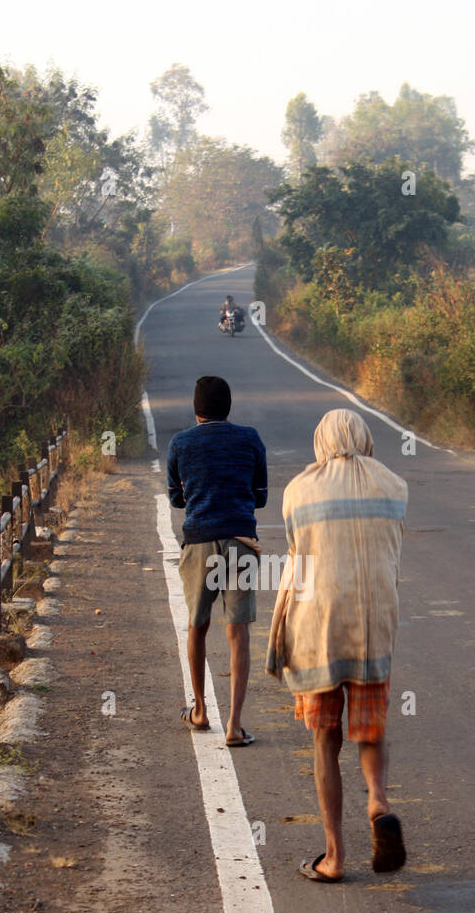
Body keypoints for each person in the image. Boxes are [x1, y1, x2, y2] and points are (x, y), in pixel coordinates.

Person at [266, 408, 408, 880]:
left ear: (320, 441)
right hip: (373, 626)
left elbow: (296, 555)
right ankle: (378, 798)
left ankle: (334, 858)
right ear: (365, 438)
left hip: (317, 629)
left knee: (325, 740)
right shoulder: (393, 485)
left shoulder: (298, 491)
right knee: (369, 730)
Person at [167, 375, 267, 747]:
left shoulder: (180, 443)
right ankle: (235, 726)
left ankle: (200, 710)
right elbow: (260, 496)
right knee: (237, 632)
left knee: (198, 625)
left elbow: (177, 499)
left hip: (199, 543)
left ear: (196, 411)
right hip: (240, 540)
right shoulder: (250, 438)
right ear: (228, 407)